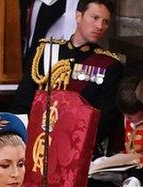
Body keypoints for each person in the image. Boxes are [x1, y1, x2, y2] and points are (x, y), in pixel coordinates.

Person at [11, 0, 124, 158]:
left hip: (75, 152)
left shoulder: (110, 66)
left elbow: (104, 121)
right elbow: (22, 103)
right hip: (34, 145)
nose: (100, 26)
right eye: (95, 18)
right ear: (78, 16)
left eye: (105, 22)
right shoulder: (44, 52)